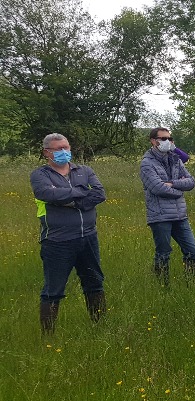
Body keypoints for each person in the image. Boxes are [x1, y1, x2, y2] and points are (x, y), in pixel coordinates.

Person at [30, 133, 107, 334]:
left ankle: (100, 327)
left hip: (88, 237)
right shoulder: (40, 175)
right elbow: (47, 194)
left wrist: (71, 201)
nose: (64, 151)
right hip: (58, 240)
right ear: (47, 152)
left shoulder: (84, 171)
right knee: (53, 290)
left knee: (94, 283)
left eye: (66, 147)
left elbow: (99, 193)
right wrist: (81, 192)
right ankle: (48, 336)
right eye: (58, 149)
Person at [139, 127, 195, 286]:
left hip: (180, 215)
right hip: (160, 216)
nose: (168, 141)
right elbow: (158, 188)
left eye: (170, 139)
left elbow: (191, 182)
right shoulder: (146, 164)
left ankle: (191, 284)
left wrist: (172, 183)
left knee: (192, 251)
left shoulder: (175, 159)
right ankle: (162, 286)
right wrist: (179, 191)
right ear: (154, 141)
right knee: (163, 253)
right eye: (164, 139)